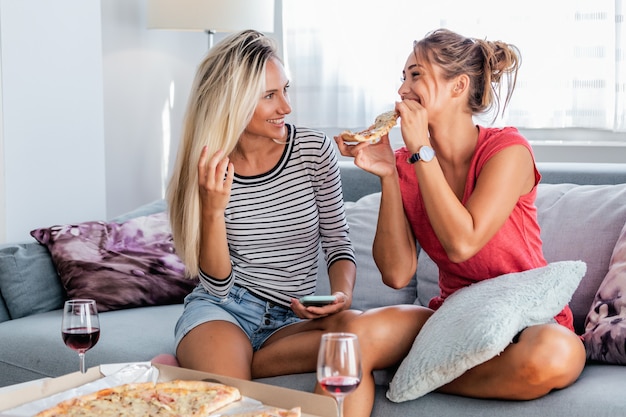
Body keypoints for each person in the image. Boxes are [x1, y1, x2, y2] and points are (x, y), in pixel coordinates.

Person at [334, 28, 586, 417]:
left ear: (458, 86)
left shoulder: (507, 151)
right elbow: (397, 274)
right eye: (402, 77)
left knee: (555, 356)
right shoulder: (407, 163)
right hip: (456, 314)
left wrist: (420, 149)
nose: (402, 90)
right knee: (354, 338)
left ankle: (413, 373)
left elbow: (463, 243)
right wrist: (388, 176)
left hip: (528, 314)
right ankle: (422, 366)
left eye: (416, 75)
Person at [167, 29, 361, 381]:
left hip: (294, 318)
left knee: (361, 331)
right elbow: (217, 286)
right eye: (269, 95)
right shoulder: (207, 166)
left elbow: (337, 242)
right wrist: (212, 210)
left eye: (285, 89)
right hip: (224, 311)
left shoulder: (313, 151)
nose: (286, 107)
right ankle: (219, 358)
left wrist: (340, 294)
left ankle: (198, 367)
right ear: (232, 102)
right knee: (232, 399)